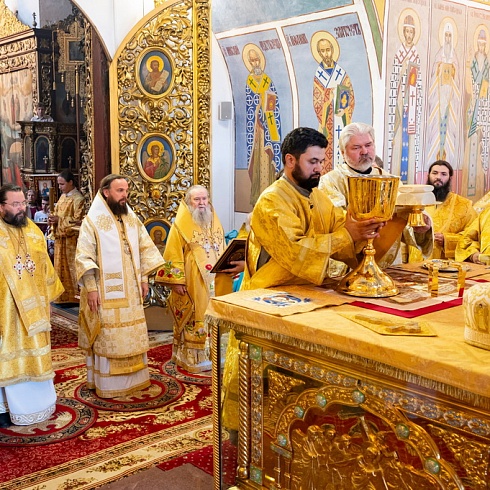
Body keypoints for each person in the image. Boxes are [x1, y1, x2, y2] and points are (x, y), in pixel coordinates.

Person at [242, 127, 384, 290]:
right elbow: (295, 251)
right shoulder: (272, 200)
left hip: (307, 287)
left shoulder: (317, 196)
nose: (319, 168)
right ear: (290, 160)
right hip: (270, 290)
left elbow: (340, 225)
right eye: (312, 161)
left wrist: (364, 228)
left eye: (321, 161)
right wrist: (347, 235)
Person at [75, 174, 164, 398]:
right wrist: (91, 288)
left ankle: (136, 379)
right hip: (105, 292)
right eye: (120, 191)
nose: (125, 195)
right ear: (106, 192)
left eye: (126, 190)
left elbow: (144, 248)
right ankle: (109, 385)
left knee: (132, 335)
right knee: (109, 337)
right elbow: (84, 257)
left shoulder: (130, 218)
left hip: (132, 291)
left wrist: (144, 279)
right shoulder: (92, 222)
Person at [318, 122, 433, 266]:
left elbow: (405, 220)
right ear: (342, 152)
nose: (364, 151)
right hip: (348, 265)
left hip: (388, 265)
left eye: (368, 145)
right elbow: (335, 223)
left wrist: (421, 227)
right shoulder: (330, 181)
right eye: (356, 147)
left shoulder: (390, 180)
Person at [0, 184, 64, 428]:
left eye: (22, 204)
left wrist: (47, 300)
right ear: (1, 206)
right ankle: (5, 406)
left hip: (34, 310)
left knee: (36, 357)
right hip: (5, 310)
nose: (20, 209)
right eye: (15, 204)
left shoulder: (33, 231)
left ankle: (36, 406)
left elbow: (46, 269)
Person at [156, 185, 225, 373]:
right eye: (197, 200)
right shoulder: (181, 224)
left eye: (204, 199)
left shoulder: (213, 219)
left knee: (215, 314)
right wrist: (177, 281)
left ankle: (216, 354)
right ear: (189, 203)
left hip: (215, 279)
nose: (202, 203)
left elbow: (222, 245)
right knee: (196, 314)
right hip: (193, 280)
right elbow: (172, 253)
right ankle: (194, 358)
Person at [243, 44, 281, 206]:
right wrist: (257, 107)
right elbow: (249, 105)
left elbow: (274, 103)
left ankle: (271, 194)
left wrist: (266, 107)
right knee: (258, 161)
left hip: (268, 127)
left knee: (269, 159)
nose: (255, 63)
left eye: (257, 60)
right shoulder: (249, 81)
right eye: (252, 61)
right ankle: (258, 194)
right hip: (257, 130)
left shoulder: (268, 81)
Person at [387, 12, 422, 182]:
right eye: (406, 32)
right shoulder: (399, 54)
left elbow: (419, 82)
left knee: (410, 140)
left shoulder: (416, 54)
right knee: (398, 140)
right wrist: (402, 72)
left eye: (411, 32)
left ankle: (409, 179)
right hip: (400, 102)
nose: (409, 35)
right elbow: (394, 79)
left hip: (412, 105)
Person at [312, 32, 355, 171]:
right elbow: (317, 102)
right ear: (319, 53)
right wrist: (327, 100)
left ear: (332, 50)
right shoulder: (319, 75)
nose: (326, 54)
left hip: (341, 122)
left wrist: (345, 109)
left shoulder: (341, 73)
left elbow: (350, 97)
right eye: (323, 51)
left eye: (328, 50)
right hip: (327, 125)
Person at [425, 160, 476, 259]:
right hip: (414, 265)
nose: (438, 177)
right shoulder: (418, 202)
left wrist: (447, 239)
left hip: (446, 267)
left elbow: (473, 236)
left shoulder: (464, 205)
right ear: (428, 175)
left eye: (444, 174)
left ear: (449, 178)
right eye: (434, 173)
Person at [426, 20, 460, 166]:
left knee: (449, 129)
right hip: (439, 99)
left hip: (450, 100)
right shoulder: (439, 55)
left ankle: (447, 158)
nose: (447, 39)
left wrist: (453, 72)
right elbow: (433, 73)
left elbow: (458, 80)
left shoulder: (455, 57)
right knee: (437, 129)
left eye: (449, 36)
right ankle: (436, 156)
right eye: (445, 35)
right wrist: (439, 69)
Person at [48, 170, 86, 304]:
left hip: (71, 241)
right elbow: (57, 213)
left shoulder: (78, 199)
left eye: (62, 184)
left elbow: (78, 220)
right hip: (60, 239)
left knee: (71, 267)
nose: (60, 187)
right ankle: (62, 296)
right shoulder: (63, 197)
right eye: (58, 185)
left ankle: (74, 297)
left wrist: (60, 220)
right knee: (59, 267)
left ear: (70, 182)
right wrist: (53, 220)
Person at [463, 27, 490, 197]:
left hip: (485, 108)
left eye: (483, 44)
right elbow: (468, 86)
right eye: (479, 43)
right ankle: (470, 188)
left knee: (483, 147)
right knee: (473, 142)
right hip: (474, 107)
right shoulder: (472, 63)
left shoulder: (487, 64)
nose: (481, 46)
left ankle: (482, 184)